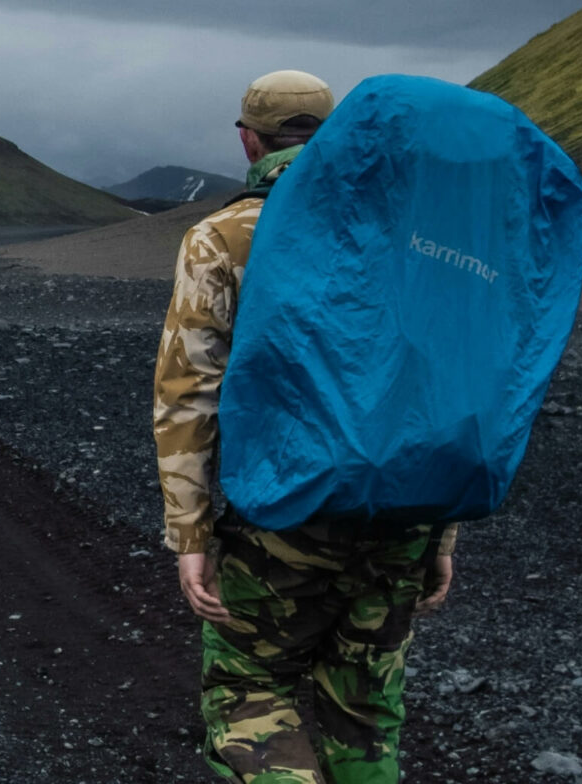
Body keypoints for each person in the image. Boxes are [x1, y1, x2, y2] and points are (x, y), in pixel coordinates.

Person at [152, 71, 456, 783]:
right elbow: (441, 384)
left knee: (250, 697)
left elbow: (188, 391)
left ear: (248, 140)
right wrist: (442, 531)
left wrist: (190, 535)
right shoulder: (413, 235)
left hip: (283, 517)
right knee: (368, 713)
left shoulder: (221, 238)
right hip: (402, 513)